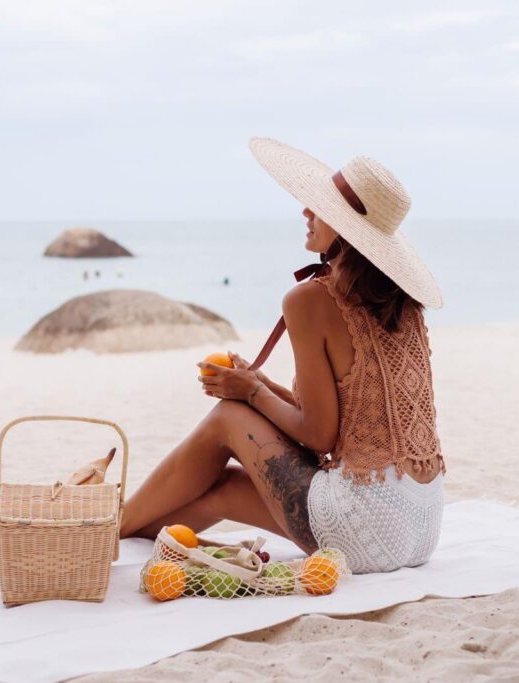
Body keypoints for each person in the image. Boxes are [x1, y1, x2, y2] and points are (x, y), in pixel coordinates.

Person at [118, 137, 446, 573]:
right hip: (422, 526)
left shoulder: (309, 300)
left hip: (365, 529)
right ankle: (123, 536)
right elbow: (352, 422)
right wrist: (263, 386)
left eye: (318, 207)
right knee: (221, 490)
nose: (306, 213)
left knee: (226, 418)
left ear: (346, 229)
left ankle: (105, 527)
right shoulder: (403, 300)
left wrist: (250, 392)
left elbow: (320, 436)